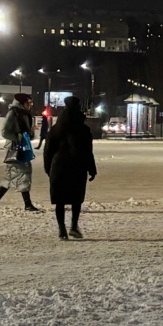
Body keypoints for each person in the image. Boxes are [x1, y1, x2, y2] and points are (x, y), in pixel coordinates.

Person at [43, 97, 97, 241]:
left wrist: (48, 168)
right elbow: (87, 151)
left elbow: (48, 150)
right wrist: (92, 169)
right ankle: (73, 226)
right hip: (77, 166)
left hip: (59, 166)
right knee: (76, 199)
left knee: (59, 200)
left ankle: (62, 230)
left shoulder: (56, 128)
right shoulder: (83, 129)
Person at [0, 94, 40, 211]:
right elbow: (5, 132)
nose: (30, 105)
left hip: (23, 146)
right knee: (23, 173)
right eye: (28, 103)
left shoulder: (25, 115)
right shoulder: (13, 114)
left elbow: (27, 133)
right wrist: (17, 137)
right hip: (15, 148)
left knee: (13, 175)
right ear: (21, 103)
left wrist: (30, 133)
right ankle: (27, 204)